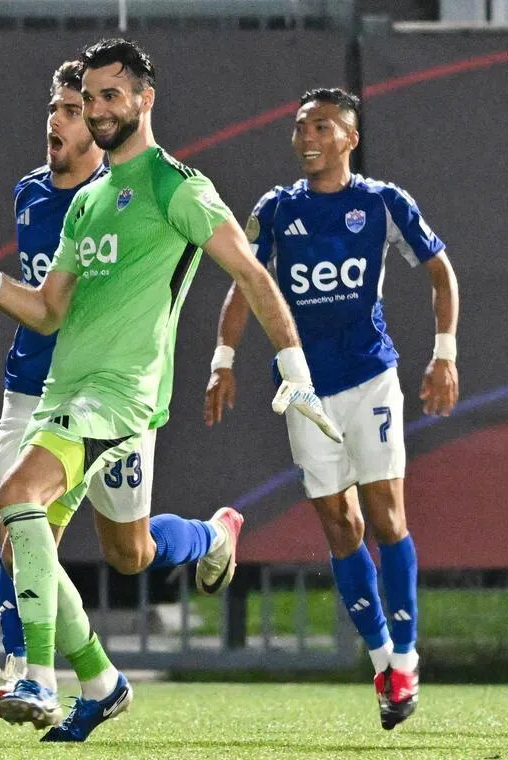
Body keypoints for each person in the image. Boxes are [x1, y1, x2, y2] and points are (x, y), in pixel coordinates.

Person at [0, 39, 339, 737]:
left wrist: (295, 369)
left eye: (112, 95)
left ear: (144, 99)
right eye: (90, 98)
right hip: (67, 394)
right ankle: (193, 561)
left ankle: (37, 678)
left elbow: (253, 276)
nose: (99, 109)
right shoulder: (88, 202)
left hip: (120, 399)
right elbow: (51, 310)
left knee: (20, 504)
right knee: (127, 552)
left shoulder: (179, 187)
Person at [0, 61, 247, 739]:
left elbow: (230, 269)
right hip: (40, 391)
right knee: (24, 526)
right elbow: (45, 307)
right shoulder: (38, 198)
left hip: (117, 403)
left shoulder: (143, 194)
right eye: (61, 106)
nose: (61, 120)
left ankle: (211, 538)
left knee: (126, 551)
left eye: (77, 108)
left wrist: (264, 358)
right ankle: (59, 676)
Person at [203, 87, 459, 730]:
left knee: (386, 517)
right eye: (299, 126)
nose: (307, 136)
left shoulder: (380, 203)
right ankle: (382, 663)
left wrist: (444, 354)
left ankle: (405, 654)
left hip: (371, 379)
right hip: (304, 389)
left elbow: (441, 271)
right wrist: (223, 361)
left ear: (350, 138)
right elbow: (247, 286)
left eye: (322, 126)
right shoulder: (275, 209)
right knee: (341, 529)